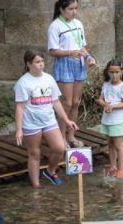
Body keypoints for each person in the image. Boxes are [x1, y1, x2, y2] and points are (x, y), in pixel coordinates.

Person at [14, 50, 76, 188]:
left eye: (42, 61)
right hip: (31, 123)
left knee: (59, 148)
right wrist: (19, 130)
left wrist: (66, 120)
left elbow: (56, 102)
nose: (41, 64)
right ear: (28, 64)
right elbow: (20, 107)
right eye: (37, 62)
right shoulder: (23, 83)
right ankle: (36, 185)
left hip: (49, 121)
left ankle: (50, 171)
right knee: (35, 153)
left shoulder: (49, 79)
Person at [47, 0, 96, 148]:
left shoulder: (78, 24)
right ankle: (61, 137)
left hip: (79, 64)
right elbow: (53, 51)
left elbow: (82, 46)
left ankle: (71, 135)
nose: (74, 12)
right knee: (66, 103)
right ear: (61, 9)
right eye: (70, 9)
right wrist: (70, 53)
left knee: (76, 102)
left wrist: (88, 57)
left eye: (76, 8)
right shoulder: (55, 26)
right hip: (64, 64)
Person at [97, 59, 123, 176]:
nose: (114, 75)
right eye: (111, 72)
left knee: (118, 146)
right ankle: (112, 166)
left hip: (117, 121)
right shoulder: (106, 85)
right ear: (107, 72)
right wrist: (105, 104)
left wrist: (112, 107)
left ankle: (121, 169)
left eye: (116, 72)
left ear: (122, 72)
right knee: (110, 145)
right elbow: (100, 99)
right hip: (107, 120)